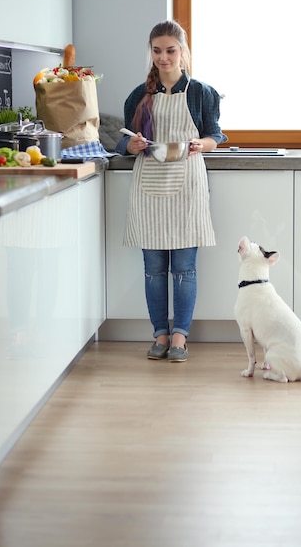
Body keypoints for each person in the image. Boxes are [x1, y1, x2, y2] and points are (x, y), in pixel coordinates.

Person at [115, 20, 227, 362]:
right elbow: (122, 141)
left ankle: (180, 337)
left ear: (183, 52)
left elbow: (216, 135)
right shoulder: (139, 95)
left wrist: (200, 144)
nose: (163, 58)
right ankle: (159, 335)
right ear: (150, 52)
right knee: (153, 268)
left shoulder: (201, 93)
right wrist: (130, 146)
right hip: (148, 182)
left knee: (185, 268)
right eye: (157, 51)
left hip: (187, 182)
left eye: (170, 50)